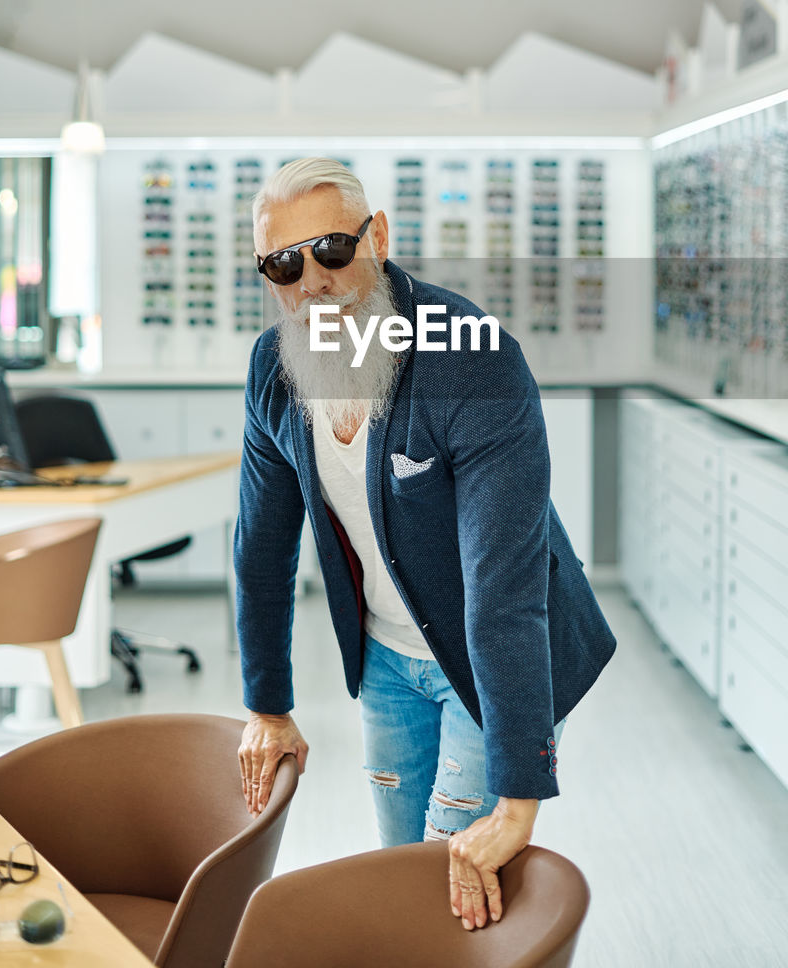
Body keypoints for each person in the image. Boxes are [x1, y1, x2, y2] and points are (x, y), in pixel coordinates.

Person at [235, 157, 616, 932]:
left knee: (459, 880)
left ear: (376, 236)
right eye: (283, 263)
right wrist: (268, 706)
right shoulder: (274, 372)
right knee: (400, 870)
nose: (311, 281)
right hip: (385, 665)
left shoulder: (472, 360)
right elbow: (262, 545)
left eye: (332, 250)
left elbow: (502, 588)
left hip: (491, 661)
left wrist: (520, 792)